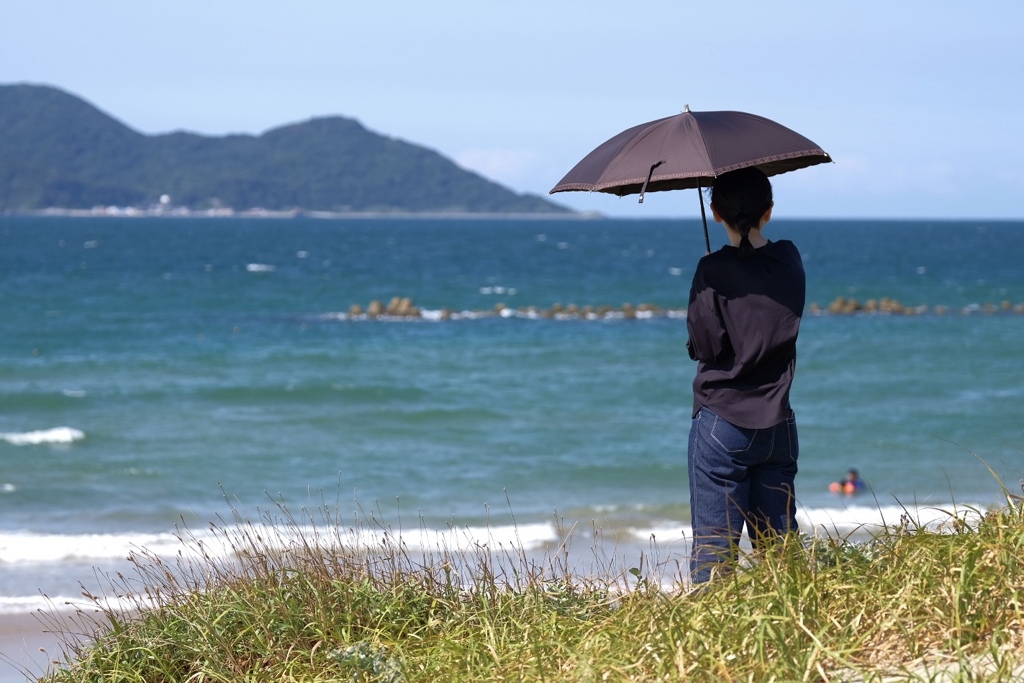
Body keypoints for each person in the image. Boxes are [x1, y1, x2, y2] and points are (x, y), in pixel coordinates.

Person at [685, 167, 806, 585]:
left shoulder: (711, 271)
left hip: (724, 421)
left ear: (716, 213)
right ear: (768, 212)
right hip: (778, 424)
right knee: (782, 554)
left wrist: (705, 280)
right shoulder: (790, 258)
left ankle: (712, 646)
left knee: (714, 555)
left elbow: (706, 348)